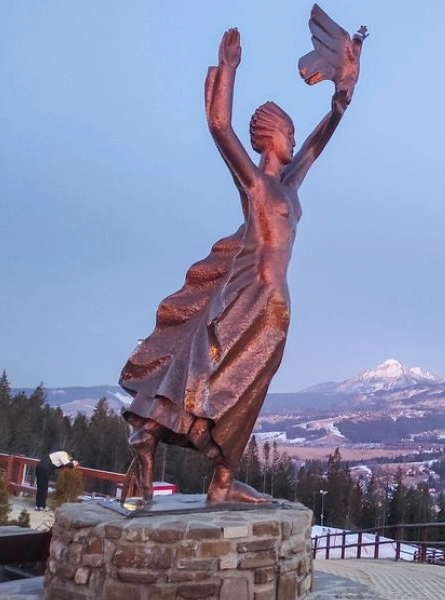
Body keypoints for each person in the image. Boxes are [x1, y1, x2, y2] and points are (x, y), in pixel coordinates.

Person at [119, 17, 364, 504]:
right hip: (256, 294)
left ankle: (161, 440)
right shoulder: (256, 185)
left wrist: (340, 104)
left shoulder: (288, 186)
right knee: (234, 379)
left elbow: (315, 148)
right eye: (288, 133)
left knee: (230, 377)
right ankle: (220, 483)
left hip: (274, 299)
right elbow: (219, 126)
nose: (294, 141)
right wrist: (227, 70)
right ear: (271, 137)